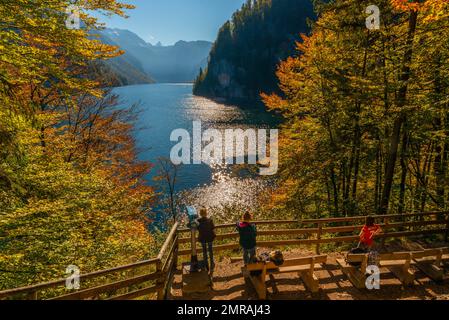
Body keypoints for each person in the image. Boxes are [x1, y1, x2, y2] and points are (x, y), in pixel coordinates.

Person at [197, 208, 216, 272]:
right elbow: (213, 228)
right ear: (206, 213)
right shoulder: (210, 220)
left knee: (204, 252)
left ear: (200, 213)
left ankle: (206, 266)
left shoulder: (198, 221)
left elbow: (197, 228)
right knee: (210, 251)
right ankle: (212, 266)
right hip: (209, 238)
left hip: (202, 238)